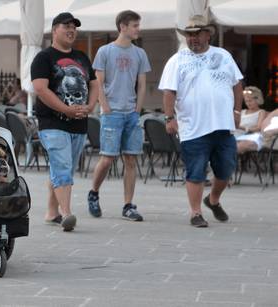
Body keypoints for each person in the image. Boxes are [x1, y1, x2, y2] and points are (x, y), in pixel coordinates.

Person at [159, 15, 243, 227]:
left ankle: (212, 200)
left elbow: (237, 84)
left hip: (223, 124)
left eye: (197, 34)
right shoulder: (177, 60)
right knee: (195, 171)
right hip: (193, 127)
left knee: (226, 169)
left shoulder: (223, 55)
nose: (193, 38)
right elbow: (169, 91)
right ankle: (195, 213)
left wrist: (237, 110)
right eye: (189, 34)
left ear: (208, 35)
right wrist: (170, 117)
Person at [31, 12, 98, 232]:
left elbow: (94, 84)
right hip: (52, 122)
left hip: (78, 123)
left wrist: (90, 106)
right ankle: (67, 213)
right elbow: (41, 89)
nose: (71, 30)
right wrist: (66, 110)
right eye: (66, 26)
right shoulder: (44, 57)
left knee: (63, 168)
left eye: (74, 27)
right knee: (62, 165)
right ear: (54, 30)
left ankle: (52, 212)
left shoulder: (81, 57)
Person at [87, 10, 151, 221]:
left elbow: (142, 84)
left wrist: (137, 109)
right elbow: (98, 82)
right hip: (111, 113)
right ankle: (94, 193)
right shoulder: (105, 51)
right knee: (107, 159)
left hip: (131, 113)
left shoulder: (139, 53)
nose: (137, 29)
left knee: (131, 159)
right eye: (135, 26)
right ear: (123, 26)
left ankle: (128, 205)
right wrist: (104, 106)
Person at [235, 86, 267, 153]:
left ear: (257, 100)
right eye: (246, 101)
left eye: (250, 101)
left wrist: (243, 128)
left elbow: (259, 128)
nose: (248, 103)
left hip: (248, 136)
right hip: (236, 134)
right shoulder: (242, 111)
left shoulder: (261, 112)